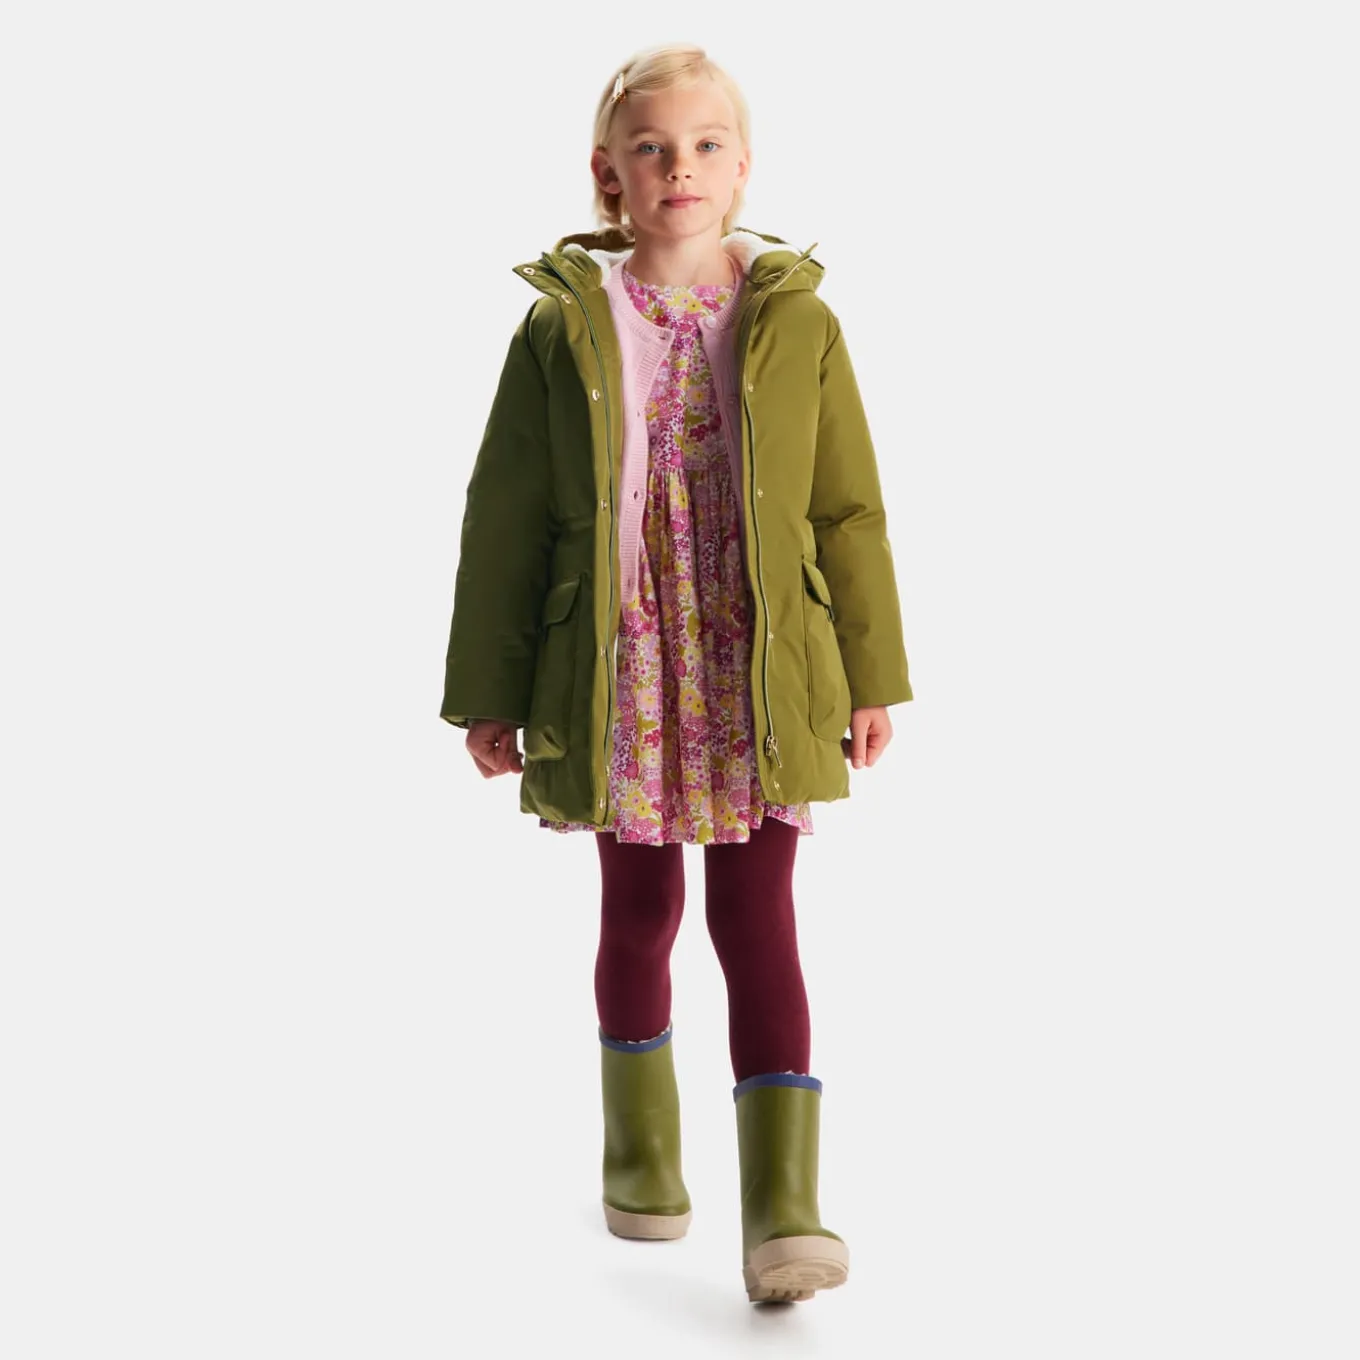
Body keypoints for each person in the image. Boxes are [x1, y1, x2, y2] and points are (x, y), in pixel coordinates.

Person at [439, 42, 913, 1304]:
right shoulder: (561, 328)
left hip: (758, 662)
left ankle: (784, 1210)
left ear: (743, 167)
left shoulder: (798, 321)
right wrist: (491, 691)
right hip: (624, 663)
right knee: (639, 911)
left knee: (758, 920)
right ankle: (641, 1156)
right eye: (649, 148)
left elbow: (846, 509)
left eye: (704, 145)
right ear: (608, 175)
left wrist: (868, 673)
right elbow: (505, 516)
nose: (678, 167)